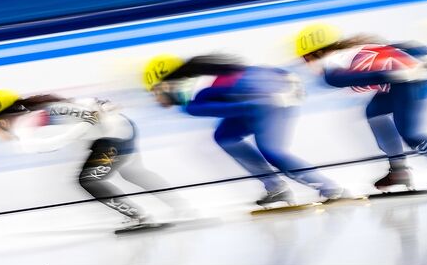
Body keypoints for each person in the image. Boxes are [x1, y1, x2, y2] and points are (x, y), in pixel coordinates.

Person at [293, 23, 427, 191]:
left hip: (409, 82)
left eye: (305, 60)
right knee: (373, 112)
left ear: (313, 55)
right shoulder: (349, 52)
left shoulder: (332, 68)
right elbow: (405, 46)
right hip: (404, 80)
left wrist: (399, 73)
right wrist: (424, 59)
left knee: (412, 135)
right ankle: (398, 171)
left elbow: (351, 77)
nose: (306, 66)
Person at [143, 52, 344, 207]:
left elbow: (244, 107)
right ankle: (276, 187)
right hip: (274, 89)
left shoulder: (192, 101)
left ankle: (330, 188)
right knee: (225, 136)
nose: (154, 100)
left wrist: (274, 100)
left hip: (269, 100)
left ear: (165, 85)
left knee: (272, 151)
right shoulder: (201, 78)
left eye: (154, 92)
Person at [0, 90, 189, 233]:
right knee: (132, 172)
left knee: (88, 180)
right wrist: (97, 114)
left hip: (113, 136)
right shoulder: (37, 110)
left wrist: (85, 125)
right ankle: (181, 207)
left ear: (2, 122)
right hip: (119, 129)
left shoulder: (26, 122)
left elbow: (51, 142)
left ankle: (140, 218)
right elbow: (88, 107)